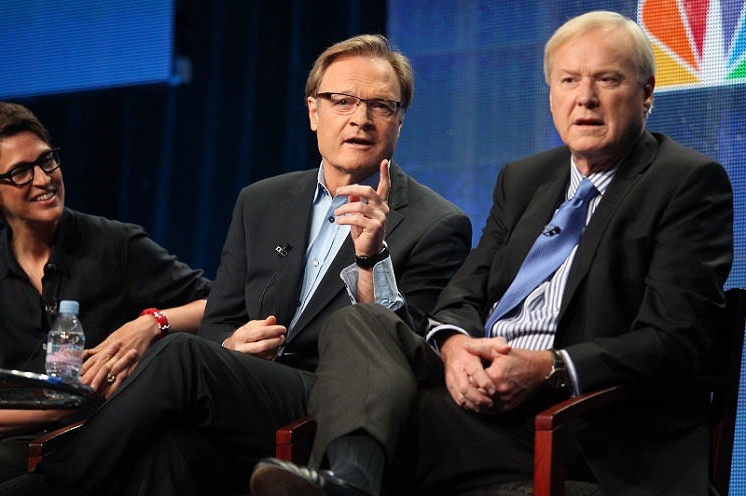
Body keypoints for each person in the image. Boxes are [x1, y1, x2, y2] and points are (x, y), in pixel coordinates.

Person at [249, 11, 735, 496]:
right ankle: (349, 482)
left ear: (646, 93)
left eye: (607, 80)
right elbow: (463, 294)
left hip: (586, 425)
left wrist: (546, 367)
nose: (585, 98)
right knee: (360, 321)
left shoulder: (685, 182)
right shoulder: (526, 180)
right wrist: (455, 347)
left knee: (391, 421)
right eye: (569, 80)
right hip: (478, 398)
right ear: (551, 96)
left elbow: (675, 339)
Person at [0, 34, 472, 496]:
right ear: (313, 111)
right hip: (247, 395)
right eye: (342, 101)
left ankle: (40, 489)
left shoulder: (436, 223)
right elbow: (218, 323)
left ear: (400, 120)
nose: (361, 118)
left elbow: (408, 355)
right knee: (167, 454)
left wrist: (371, 257)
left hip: (340, 405)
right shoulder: (262, 201)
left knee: (181, 355)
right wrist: (231, 347)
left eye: (381, 105)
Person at [0, 102, 211, 490]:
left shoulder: (116, 245)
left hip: (105, 432)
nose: (44, 179)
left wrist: (152, 323)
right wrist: (59, 403)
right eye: (21, 172)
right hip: (20, 437)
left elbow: (217, 304)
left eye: (47, 161)